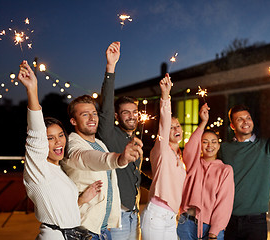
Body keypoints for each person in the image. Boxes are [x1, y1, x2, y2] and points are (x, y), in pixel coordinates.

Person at [18, 60, 101, 240]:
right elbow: (35, 134)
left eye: (61, 135)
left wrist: (82, 199)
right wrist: (32, 90)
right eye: (50, 138)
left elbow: (62, 209)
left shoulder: (58, 170)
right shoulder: (38, 168)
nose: (58, 142)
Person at [219, 83, 270, 240]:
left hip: (256, 221)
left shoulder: (266, 147)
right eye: (240, 119)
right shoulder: (224, 149)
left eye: (248, 118)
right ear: (232, 125)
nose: (246, 121)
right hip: (228, 219)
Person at [61, 94, 143, 240]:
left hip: (103, 230)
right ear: (73, 121)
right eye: (85, 114)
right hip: (84, 231)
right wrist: (119, 159)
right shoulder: (71, 145)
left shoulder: (100, 145)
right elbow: (86, 157)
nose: (92, 118)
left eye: (94, 114)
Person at [97, 41, 151, 240]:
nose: (131, 116)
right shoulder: (109, 135)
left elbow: (134, 175)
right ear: (117, 116)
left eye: (135, 112)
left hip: (133, 214)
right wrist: (111, 67)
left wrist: (156, 185)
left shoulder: (136, 141)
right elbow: (106, 109)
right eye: (125, 112)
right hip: (115, 217)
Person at [177, 104, 234, 240]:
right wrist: (203, 123)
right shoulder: (193, 164)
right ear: (200, 145)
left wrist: (214, 231)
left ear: (218, 145)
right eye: (205, 142)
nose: (210, 145)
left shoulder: (225, 170)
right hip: (186, 223)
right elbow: (189, 149)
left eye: (214, 142)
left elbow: (224, 203)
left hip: (210, 227)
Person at [140, 73, 187, 239]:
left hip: (170, 217)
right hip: (156, 215)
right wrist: (166, 95)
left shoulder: (180, 156)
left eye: (178, 126)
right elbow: (164, 122)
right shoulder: (161, 149)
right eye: (172, 127)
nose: (176, 129)